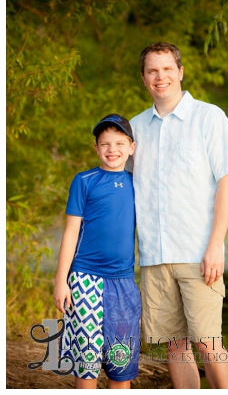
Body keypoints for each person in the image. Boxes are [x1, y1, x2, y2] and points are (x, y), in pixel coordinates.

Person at [130, 42, 228, 389]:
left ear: (180, 72)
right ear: (144, 78)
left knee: (209, 344)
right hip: (154, 257)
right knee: (175, 348)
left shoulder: (209, 117)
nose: (160, 77)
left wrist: (215, 246)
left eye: (166, 69)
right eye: (152, 70)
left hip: (199, 254)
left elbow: (227, 181)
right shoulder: (134, 128)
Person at [53, 114, 141, 389]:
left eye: (119, 143)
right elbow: (70, 234)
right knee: (87, 363)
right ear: (96, 148)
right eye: (104, 144)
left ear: (131, 147)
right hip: (85, 279)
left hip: (124, 282)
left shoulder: (138, 182)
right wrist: (60, 281)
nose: (112, 149)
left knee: (121, 365)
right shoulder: (84, 181)